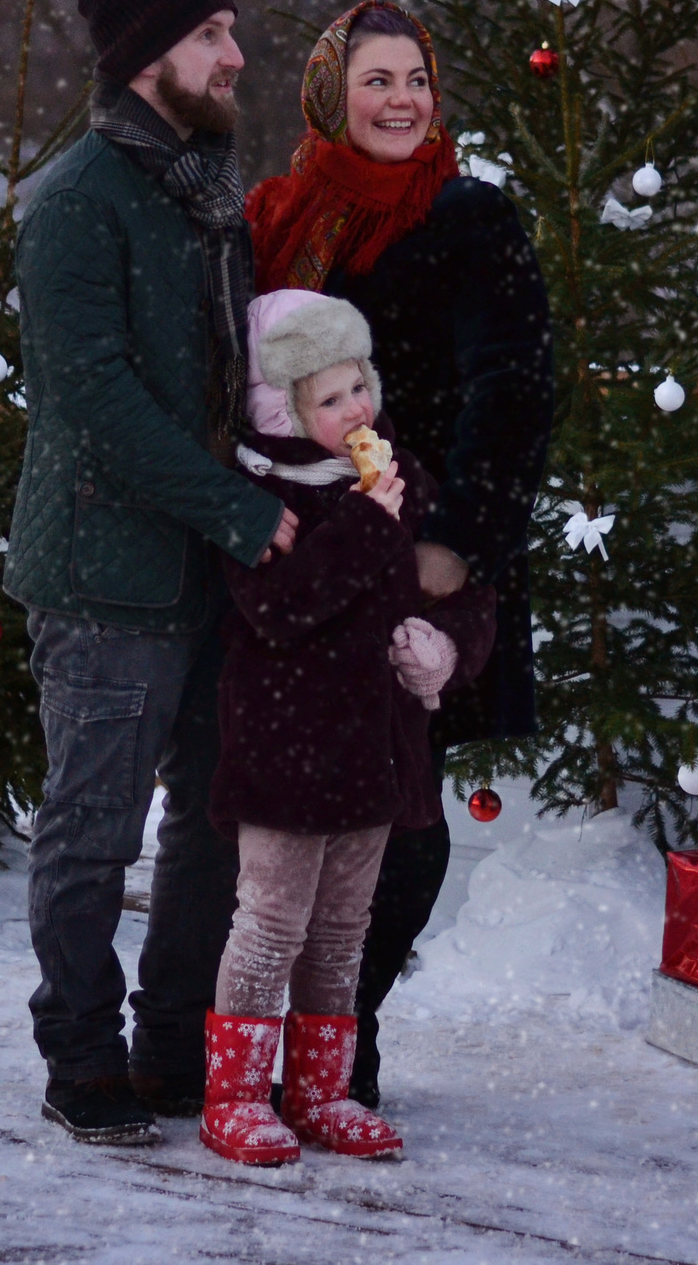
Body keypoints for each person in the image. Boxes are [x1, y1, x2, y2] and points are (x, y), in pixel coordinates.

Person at [5, 0, 299, 1146]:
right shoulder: (77, 199)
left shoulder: (205, 187)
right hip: (106, 576)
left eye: (231, 35)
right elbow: (99, 404)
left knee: (213, 827)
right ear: (146, 61)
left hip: (210, 575)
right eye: (212, 37)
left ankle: (174, 1050)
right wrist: (239, 510)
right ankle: (81, 1057)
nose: (236, 57)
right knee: (93, 830)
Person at [242, 0, 554, 1107]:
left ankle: (342, 1037)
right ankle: (239, 1041)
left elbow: (514, 390)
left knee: (403, 805)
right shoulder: (279, 218)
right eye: (375, 80)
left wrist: (459, 541)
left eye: (415, 78)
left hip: (420, 553)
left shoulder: (468, 217)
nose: (401, 100)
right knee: (279, 804)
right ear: (330, 94)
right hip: (295, 560)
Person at [197, 290, 495, 1166]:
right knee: (272, 920)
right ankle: (236, 1092)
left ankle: (320, 1087)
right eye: (329, 400)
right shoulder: (258, 495)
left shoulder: (399, 473)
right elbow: (281, 610)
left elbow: (463, 583)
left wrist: (446, 645)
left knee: (343, 926)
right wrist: (368, 520)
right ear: (282, 407)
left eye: (358, 387)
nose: (356, 411)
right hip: (288, 749)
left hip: (377, 747)